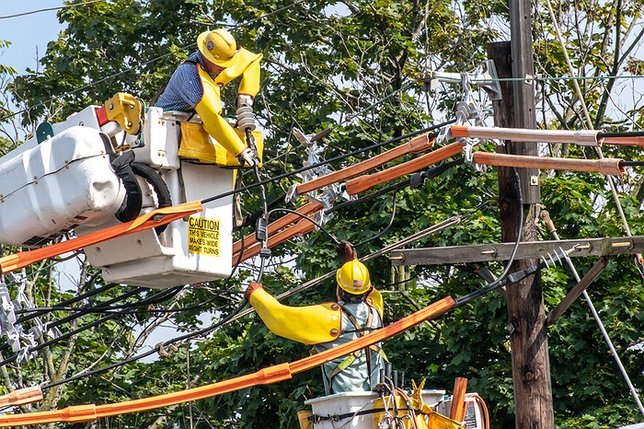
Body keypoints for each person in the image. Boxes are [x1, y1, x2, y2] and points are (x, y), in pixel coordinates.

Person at [245, 242, 386, 394]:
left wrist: (255, 294)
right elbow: (370, 292)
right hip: (379, 400)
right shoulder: (376, 311)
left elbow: (279, 317)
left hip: (345, 403)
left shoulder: (329, 318)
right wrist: (353, 264)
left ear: (338, 288)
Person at [155, 28, 262, 166]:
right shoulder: (190, 76)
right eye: (220, 65)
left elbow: (251, 60)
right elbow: (212, 119)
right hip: (163, 131)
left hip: (186, 129)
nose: (224, 68)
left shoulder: (218, 60)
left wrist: (245, 99)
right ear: (206, 56)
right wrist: (241, 151)